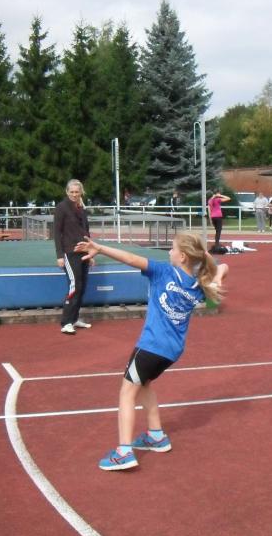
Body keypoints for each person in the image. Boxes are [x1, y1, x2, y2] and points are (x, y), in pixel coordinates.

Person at [73, 232, 228, 471]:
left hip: (151, 346)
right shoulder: (198, 284)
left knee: (126, 393)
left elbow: (130, 258)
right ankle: (156, 436)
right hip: (172, 351)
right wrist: (214, 271)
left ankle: (124, 452)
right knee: (143, 384)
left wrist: (101, 248)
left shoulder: (163, 271)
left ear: (183, 256)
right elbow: (224, 267)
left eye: (172, 248)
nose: (169, 252)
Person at [54, 178, 92, 335]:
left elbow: (86, 232)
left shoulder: (81, 208)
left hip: (84, 252)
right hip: (69, 253)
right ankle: (66, 322)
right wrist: (59, 256)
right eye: (72, 192)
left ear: (81, 192)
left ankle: (74, 319)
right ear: (67, 192)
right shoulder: (61, 207)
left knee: (82, 287)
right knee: (74, 286)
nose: (74, 194)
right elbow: (57, 233)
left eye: (77, 192)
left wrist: (90, 253)